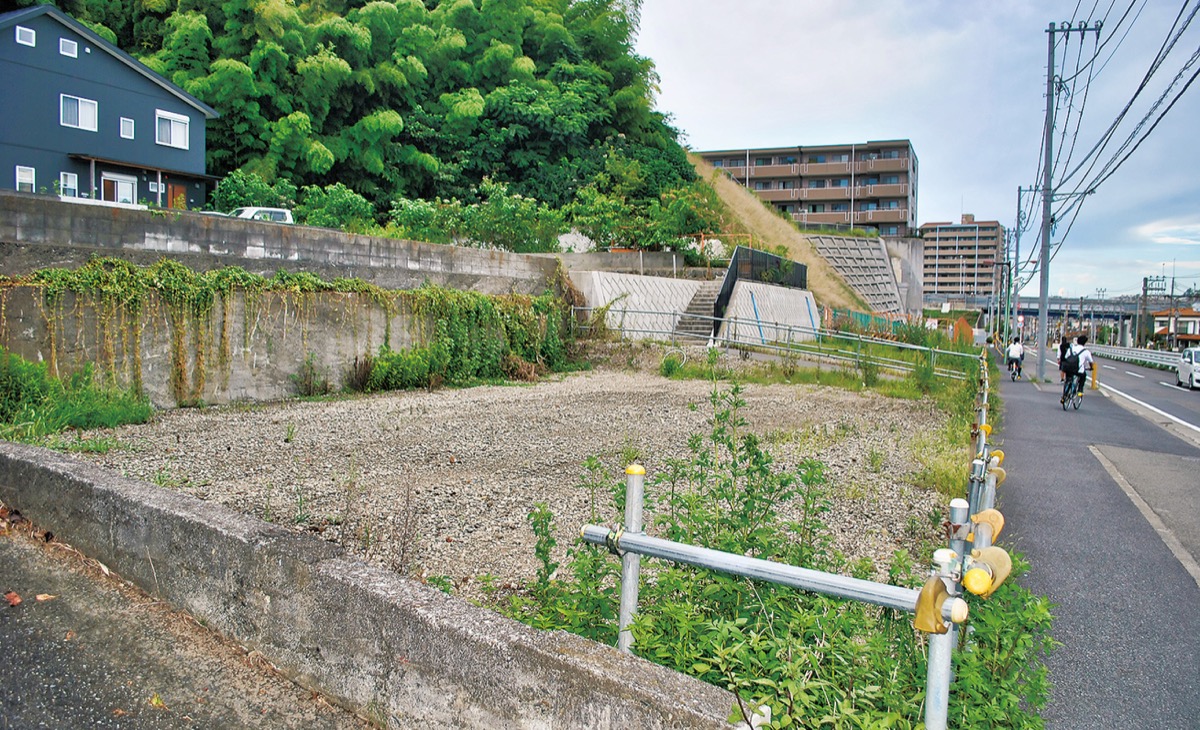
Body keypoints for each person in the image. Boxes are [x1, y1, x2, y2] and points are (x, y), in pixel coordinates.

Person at [1061, 335, 1095, 403]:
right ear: (1084, 343)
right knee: (1083, 376)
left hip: (1068, 368)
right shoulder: (1086, 351)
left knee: (1068, 379)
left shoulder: (1071, 348)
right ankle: (1080, 390)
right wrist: (1091, 367)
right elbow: (1091, 361)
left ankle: (1064, 396)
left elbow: (1066, 356)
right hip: (1078, 370)